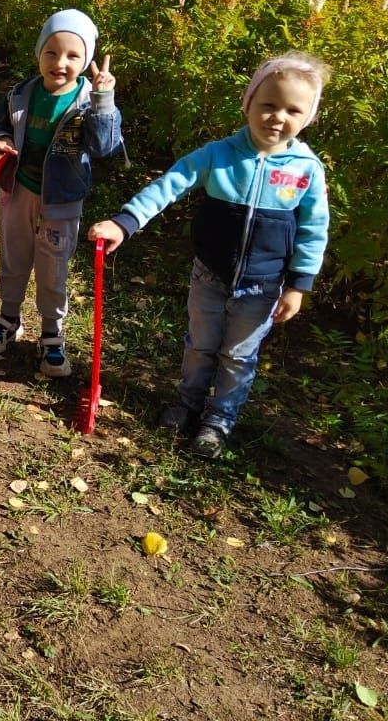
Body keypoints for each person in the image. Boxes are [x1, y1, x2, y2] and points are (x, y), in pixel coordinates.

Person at [87, 52, 330, 459]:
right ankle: (188, 402)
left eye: (292, 109)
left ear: (308, 117)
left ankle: (219, 419)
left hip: (263, 286)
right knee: (200, 344)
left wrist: (298, 284)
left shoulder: (307, 170)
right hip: (210, 275)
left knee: (238, 355)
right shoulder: (219, 154)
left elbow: (313, 230)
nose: (277, 117)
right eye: (268, 104)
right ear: (249, 103)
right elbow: (170, 184)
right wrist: (125, 221)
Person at [0, 9, 123, 377]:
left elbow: (105, 147)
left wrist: (104, 101)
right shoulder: (21, 93)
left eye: (73, 55)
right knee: (13, 260)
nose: (60, 63)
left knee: (52, 271)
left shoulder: (90, 101)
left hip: (61, 204)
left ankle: (51, 335)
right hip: (18, 194)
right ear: (39, 53)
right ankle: (8, 318)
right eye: (52, 52)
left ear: (87, 60)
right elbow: (1, 122)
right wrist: (1, 138)